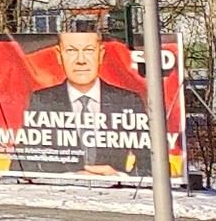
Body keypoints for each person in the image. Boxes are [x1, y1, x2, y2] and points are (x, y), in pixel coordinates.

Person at [22, 31, 149, 177]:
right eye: (71, 51)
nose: (80, 60)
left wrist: (120, 177)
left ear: (100, 54)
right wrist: (67, 178)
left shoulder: (128, 101)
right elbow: (21, 164)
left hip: (116, 194)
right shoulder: (42, 101)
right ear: (59, 54)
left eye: (88, 50)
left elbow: (153, 164)